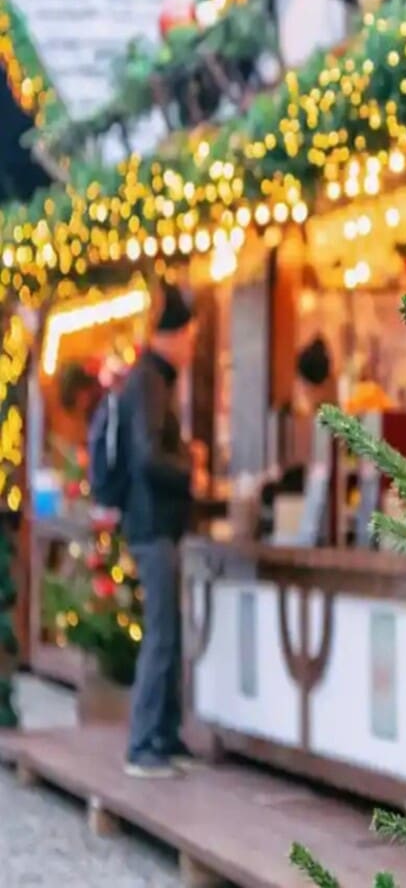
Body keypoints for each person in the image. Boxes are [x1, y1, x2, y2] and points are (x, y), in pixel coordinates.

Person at [120, 284, 203, 778]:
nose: (192, 348)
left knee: (167, 629)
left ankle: (164, 735)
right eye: (189, 337)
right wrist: (189, 467)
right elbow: (148, 456)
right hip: (153, 526)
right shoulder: (150, 382)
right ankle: (142, 743)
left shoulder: (153, 381)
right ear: (171, 337)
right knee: (162, 634)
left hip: (157, 525)